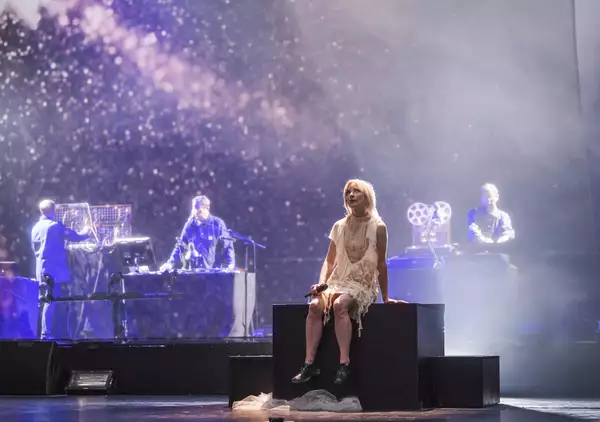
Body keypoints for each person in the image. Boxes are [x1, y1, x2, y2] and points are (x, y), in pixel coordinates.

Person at [292, 179, 405, 386]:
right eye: (348, 192)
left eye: (356, 191)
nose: (351, 195)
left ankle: (344, 363)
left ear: (366, 196)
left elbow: (381, 263)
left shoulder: (378, 227)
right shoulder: (339, 226)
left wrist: (386, 296)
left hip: (362, 283)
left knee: (339, 304)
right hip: (338, 280)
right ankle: (309, 364)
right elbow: (329, 261)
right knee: (315, 306)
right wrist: (321, 284)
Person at [31, 199, 90, 339]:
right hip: (54, 271)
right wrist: (87, 232)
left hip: (41, 269)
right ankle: (46, 334)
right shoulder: (55, 226)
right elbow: (74, 236)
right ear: (53, 210)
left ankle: (43, 332)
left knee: (44, 301)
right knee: (50, 302)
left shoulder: (35, 227)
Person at [160, 196, 235, 271]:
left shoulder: (217, 224)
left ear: (207, 208)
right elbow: (180, 246)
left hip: (213, 272)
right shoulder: (189, 225)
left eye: (199, 212)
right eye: (194, 210)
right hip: (194, 272)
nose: (196, 214)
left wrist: (231, 264)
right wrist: (169, 263)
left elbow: (228, 246)